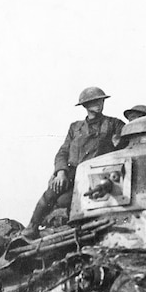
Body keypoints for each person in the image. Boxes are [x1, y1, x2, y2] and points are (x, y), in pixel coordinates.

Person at [23, 86, 124, 238]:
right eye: (93, 101)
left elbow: (125, 142)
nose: (98, 104)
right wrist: (61, 172)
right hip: (73, 171)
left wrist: (119, 141)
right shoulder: (75, 128)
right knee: (52, 192)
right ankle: (32, 226)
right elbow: (63, 151)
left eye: (100, 100)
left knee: (73, 201)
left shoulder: (113, 124)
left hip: (98, 172)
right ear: (85, 105)